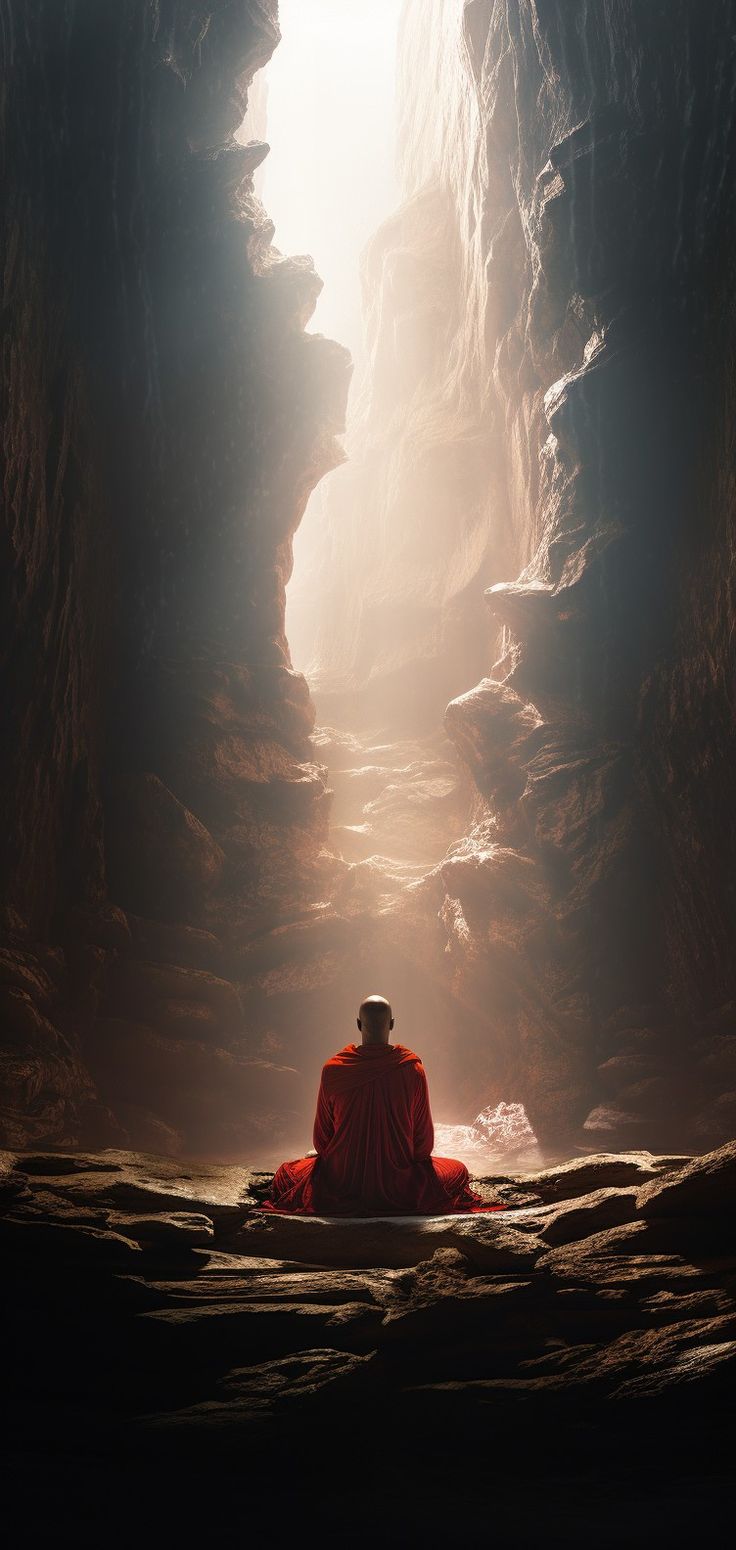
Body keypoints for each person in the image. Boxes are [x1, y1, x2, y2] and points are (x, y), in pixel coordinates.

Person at [261, 994, 505, 1216]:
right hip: (400, 1185)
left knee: (285, 1173)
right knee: (458, 1170)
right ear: (392, 1024)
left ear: (358, 1025)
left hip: (342, 1181)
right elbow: (423, 1147)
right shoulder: (411, 1069)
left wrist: (343, 1156)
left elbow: (321, 1142)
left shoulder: (334, 1070)